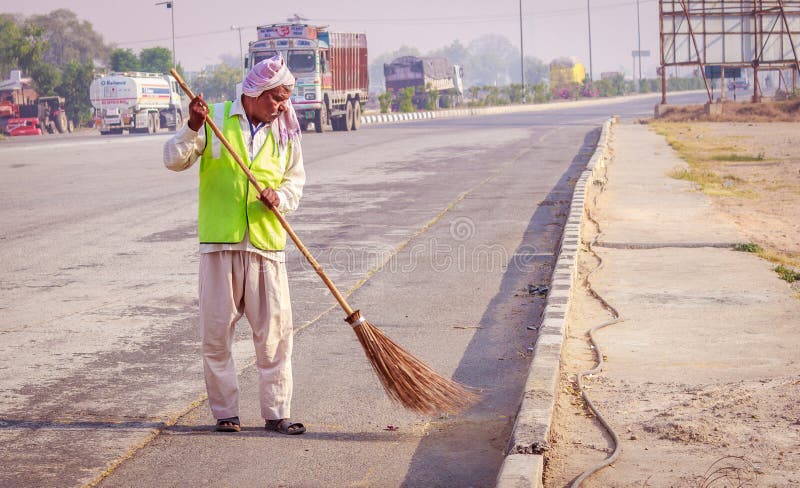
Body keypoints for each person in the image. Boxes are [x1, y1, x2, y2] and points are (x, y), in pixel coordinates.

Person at [163, 54, 306, 435]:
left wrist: (281, 197)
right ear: (255, 93)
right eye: (277, 98)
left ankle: (277, 414)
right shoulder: (214, 119)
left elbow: (296, 180)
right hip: (219, 245)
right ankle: (226, 414)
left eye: (286, 98)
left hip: (266, 245)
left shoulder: (286, 131)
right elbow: (173, 160)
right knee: (215, 335)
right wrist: (193, 125)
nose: (282, 106)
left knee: (275, 337)